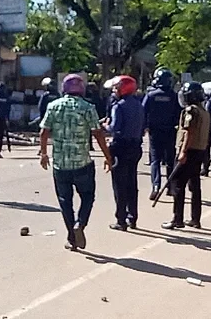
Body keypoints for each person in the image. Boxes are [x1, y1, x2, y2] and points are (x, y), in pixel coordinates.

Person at [40, 74, 113, 251]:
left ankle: (72, 238)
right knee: (88, 196)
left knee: (65, 201)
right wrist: (108, 157)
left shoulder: (53, 106)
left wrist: (43, 154)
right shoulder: (88, 107)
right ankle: (80, 224)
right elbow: (98, 134)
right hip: (83, 163)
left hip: (60, 164)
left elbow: (43, 132)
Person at [162, 82, 210, 230]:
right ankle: (195, 219)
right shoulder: (204, 111)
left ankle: (177, 218)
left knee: (178, 185)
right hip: (200, 151)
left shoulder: (191, 111)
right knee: (195, 185)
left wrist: (183, 151)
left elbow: (190, 132)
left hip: (189, 151)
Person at [106, 75, 145, 231]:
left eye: (116, 88)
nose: (114, 91)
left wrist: (106, 126)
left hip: (120, 147)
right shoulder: (139, 105)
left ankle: (121, 219)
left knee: (119, 185)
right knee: (131, 183)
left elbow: (114, 127)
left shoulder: (119, 106)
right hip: (135, 146)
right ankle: (132, 217)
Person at [142, 67, 180, 200]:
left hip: (155, 132)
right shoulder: (174, 96)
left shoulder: (151, 95)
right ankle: (170, 187)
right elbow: (178, 114)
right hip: (170, 131)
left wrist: (145, 127)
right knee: (170, 161)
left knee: (155, 160)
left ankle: (156, 186)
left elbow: (143, 111)